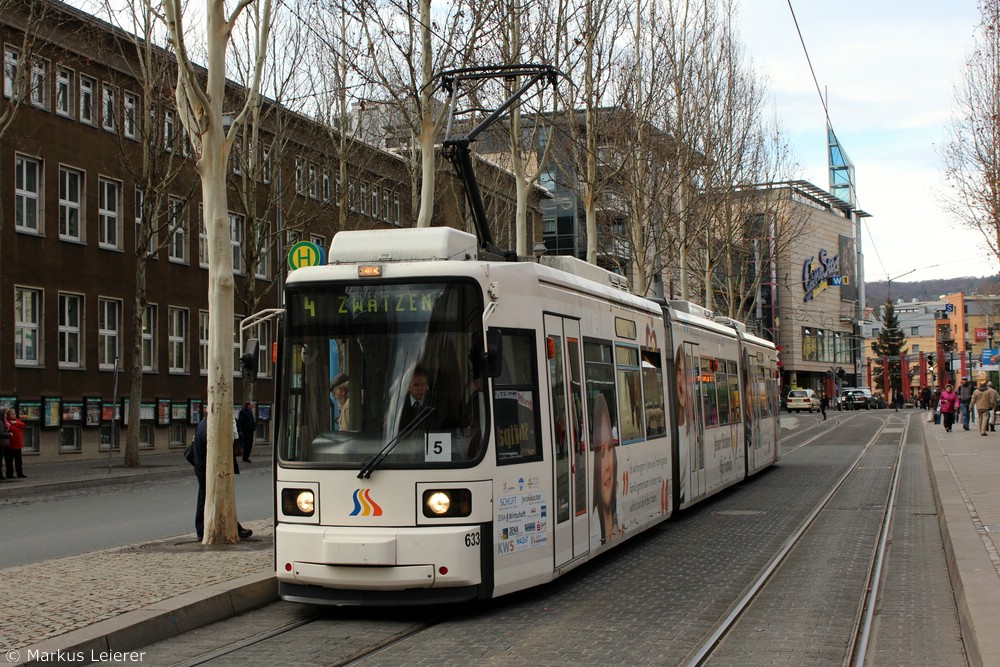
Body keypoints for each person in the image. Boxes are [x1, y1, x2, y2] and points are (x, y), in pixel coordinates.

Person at [192, 417, 252, 541]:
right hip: (207, 468)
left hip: (203, 467)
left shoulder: (203, 424)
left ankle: (231, 527)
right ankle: (206, 529)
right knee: (213, 497)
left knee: (209, 497)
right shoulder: (210, 428)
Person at [590, 394, 621, 545]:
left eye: (609, 449)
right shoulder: (592, 526)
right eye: (601, 454)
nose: (608, 465)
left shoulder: (621, 505)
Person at [398, 367, 432, 432]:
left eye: (423, 384)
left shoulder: (434, 402)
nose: (420, 388)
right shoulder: (399, 405)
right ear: (408, 386)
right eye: (416, 385)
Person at [4, 409, 25, 478]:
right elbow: (10, 428)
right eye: (12, 414)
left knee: (18, 461)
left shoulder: (17, 420)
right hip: (10, 445)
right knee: (9, 461)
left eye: (15, 413)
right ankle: (10, 474)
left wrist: (16, 423)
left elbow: (23, 425)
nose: (14, 415)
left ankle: (20, 473)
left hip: (18, 445)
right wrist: (14, 425)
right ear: (8, 415)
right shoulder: (6, 421)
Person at [0, 413, 10, 480]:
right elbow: (0, 433)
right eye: (5, 414)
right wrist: (9, 434)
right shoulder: (0, 422)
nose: (6, 415)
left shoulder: (3, 421)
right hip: (1, 444)